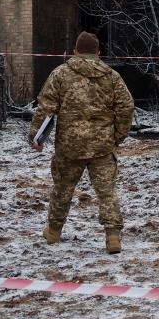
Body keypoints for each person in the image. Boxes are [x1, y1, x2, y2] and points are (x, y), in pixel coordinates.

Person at [30, 32, 134, 254]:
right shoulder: (112, 76)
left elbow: (46, 108)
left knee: (62, 189)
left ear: (75, 51)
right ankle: (113, 236)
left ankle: (54, 231)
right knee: (107, 192)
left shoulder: (60, 74)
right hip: (103, 146)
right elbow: (126, 107)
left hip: (69, 146)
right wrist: (118, 136)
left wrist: (37, 138)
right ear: (98, 53)